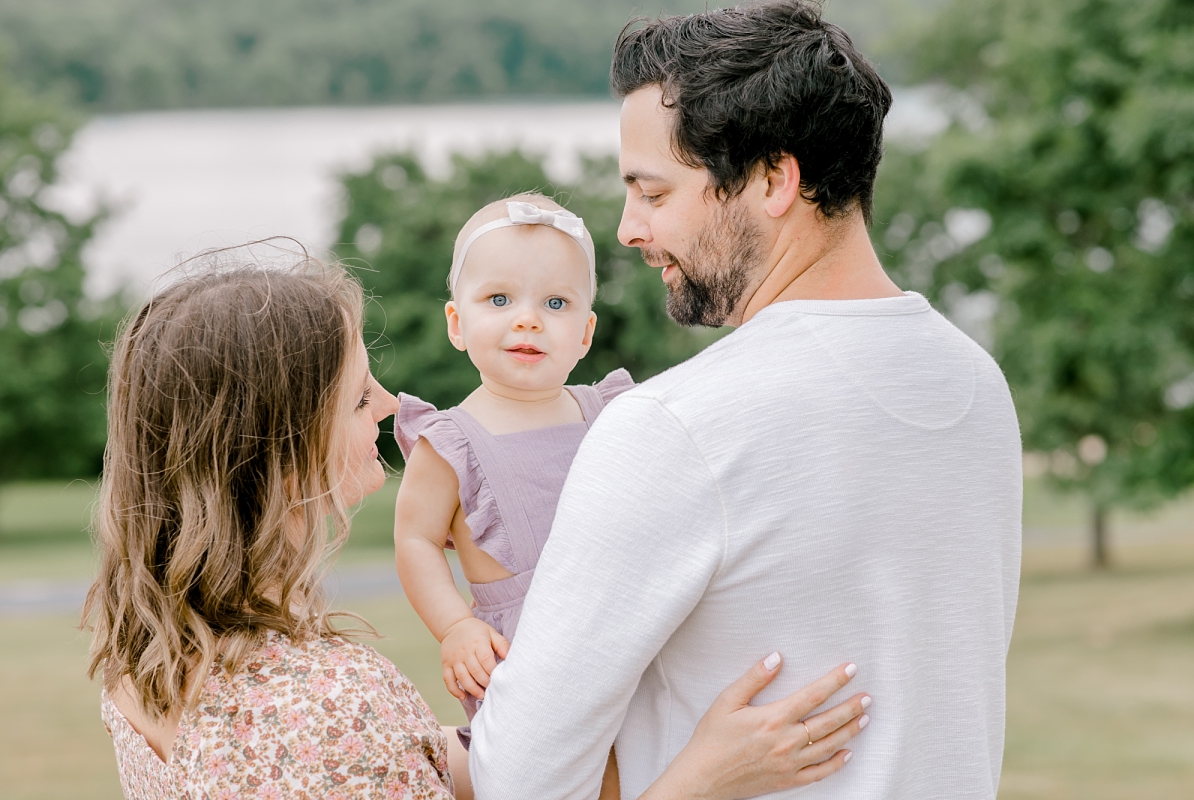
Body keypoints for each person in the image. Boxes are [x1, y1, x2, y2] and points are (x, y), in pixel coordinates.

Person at [468, 3, 1023, 800]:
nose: (627, 229)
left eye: (653, 193)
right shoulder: (977, 385)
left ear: (772, 179)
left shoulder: (675, 427)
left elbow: (517, 782)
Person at [82, 252, 872, 800]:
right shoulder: (329, 701)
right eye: (360, 398)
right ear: (283, 457)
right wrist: (705, 777)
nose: (391, 406)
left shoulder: (142, 664)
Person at [393, 194, 633, 749]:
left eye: (555, 303)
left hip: (619, 627)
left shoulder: (610, 414)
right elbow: (417, 539)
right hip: (522, 653)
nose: (527, 318)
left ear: (586, 333)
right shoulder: (452, 441)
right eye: (499, 299)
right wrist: (455, 625)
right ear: (457, 322)